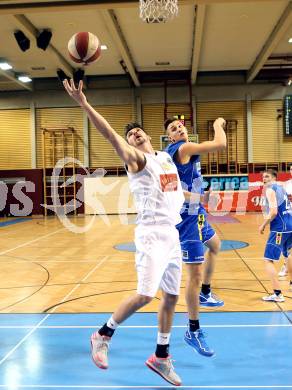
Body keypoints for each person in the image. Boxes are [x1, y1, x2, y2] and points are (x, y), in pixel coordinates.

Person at [63, 79, 185, 386]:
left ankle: (161, 356)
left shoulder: (166, 158)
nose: (134, 135)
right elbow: (109, 135)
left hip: (172, 233)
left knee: (170, 297)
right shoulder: (136, 160)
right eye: (130, 134)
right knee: (146, 294)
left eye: (137, 131)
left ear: (147, 135)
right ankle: (102, 334)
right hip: (151, 234)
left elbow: (173, 190)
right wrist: (84, 104)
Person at [165, 117, 226, 357]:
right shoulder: (183, 148)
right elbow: (220, 144)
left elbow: (178, 186)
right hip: (186, 219)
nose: (178, 128)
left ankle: (206, 292)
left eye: (180, 126)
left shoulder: (183, 152)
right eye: (173, 128)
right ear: (170, 137)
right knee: (194, 274)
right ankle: (193, 329)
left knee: (215, 245)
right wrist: (218, 125)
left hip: (196, 212)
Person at [259, 169, 292, 301]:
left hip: (280, 228)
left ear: (273, 177)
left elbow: (273, 212)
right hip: (290, 224)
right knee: (289, 254)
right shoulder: (282, 187)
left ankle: (277, 294)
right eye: (263, 177)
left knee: (268, 260)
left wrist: (263, 224)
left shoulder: (270, 189)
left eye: (267, 176)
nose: (264, 178)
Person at [278, 164, 292, 277]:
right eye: (291, 169)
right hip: (288, 218)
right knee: (284, 244)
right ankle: (286, 265)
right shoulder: (286, 185)